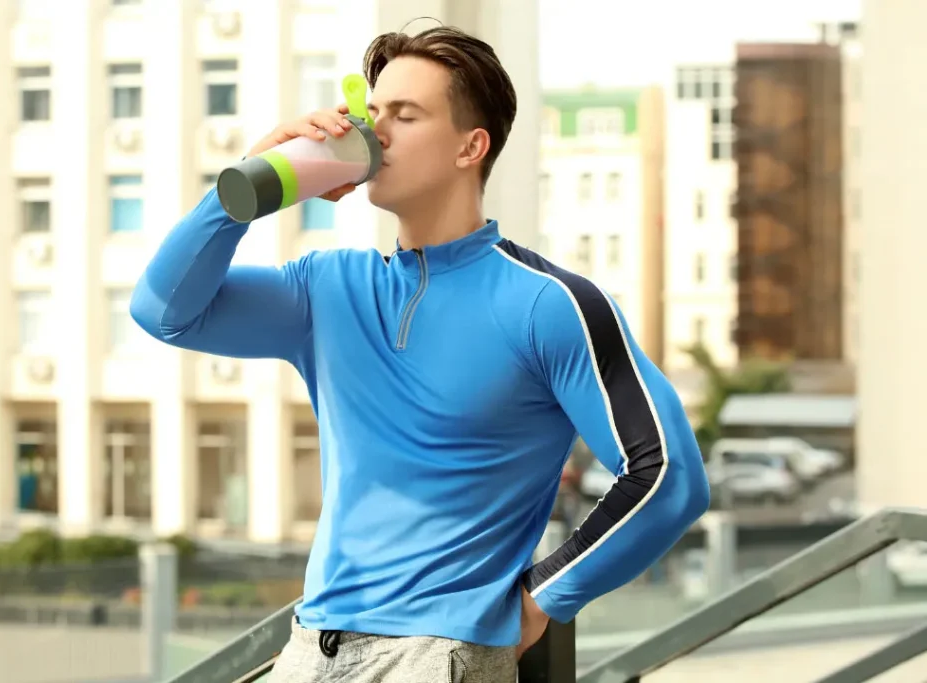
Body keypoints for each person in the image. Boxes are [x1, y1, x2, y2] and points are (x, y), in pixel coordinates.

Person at [131, 24, 710, 683]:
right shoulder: (327, 289)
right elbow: (163, 311)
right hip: (310, 644)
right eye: (370, 113)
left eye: (405, 115)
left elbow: (668, 475)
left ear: (472, 146)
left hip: (439, 656)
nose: (376, 133)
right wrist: (246, 183)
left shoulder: (547, 305)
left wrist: (546, 594)